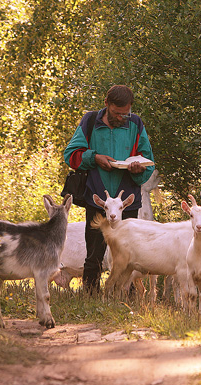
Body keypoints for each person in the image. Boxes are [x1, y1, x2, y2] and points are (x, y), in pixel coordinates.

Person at [64, 85, 155, 294]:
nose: (122, 118)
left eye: (126, 114)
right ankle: (90, 296)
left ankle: (128, 297)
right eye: (117, 113)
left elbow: (148, 162)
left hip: (127, 201)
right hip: (97, 197)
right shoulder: (90, 121)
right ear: (106, 104)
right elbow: (70, 155)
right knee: (94, 251)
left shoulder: (136, 124)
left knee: (130, 252)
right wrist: (94, 157)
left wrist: (136, 168)